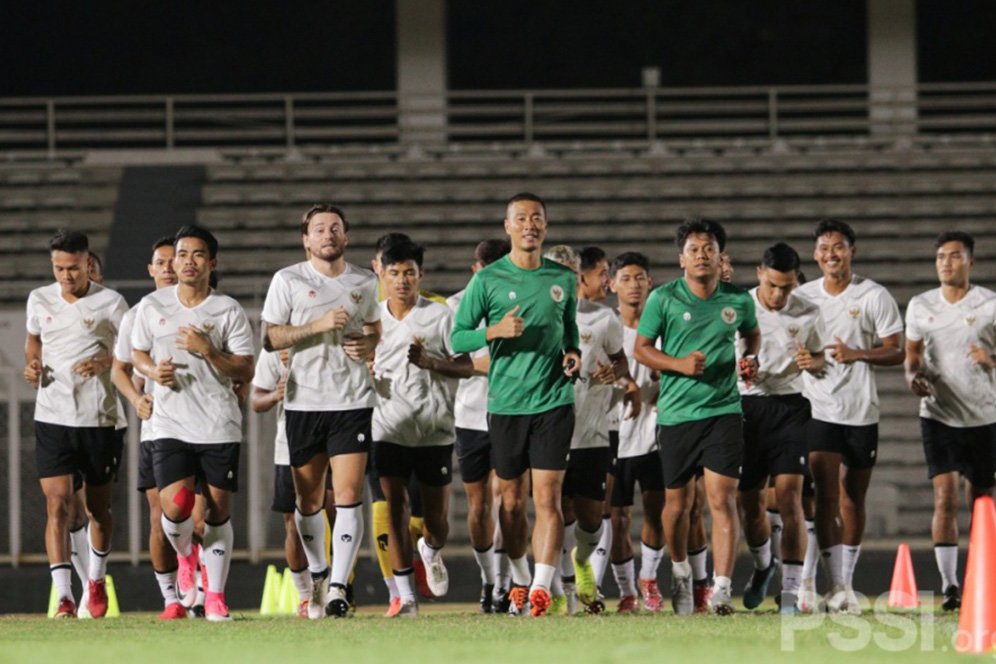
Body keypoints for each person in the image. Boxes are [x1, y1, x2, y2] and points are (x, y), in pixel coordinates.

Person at [451, 192, 581, 617]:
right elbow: (457, 339)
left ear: (546, 225)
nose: (530, 225)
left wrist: (572, 354)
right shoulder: (487, 281)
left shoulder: (561, 279)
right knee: (510, 500)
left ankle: (543, 586)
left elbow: (570, 334)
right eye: (521, 218)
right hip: (506, 404)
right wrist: (495, 331)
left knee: (549, 497)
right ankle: (521, 577)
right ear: (507, 226)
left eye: (537, 218)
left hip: (553, 401)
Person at [633, 217, 760, 615]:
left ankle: (720, 588)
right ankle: (682, 570)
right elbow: (641, 349)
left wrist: (750, 357)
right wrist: (679, 365)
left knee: (722, 501)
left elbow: (751, 334)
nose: (702, 255)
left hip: (723, 411)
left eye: (709, 249)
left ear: (721, 257)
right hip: (676, 414)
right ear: (681, 259)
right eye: (694, 249)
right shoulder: (664, 299)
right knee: (678, 506)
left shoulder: (738, 300)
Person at [261, 204, 380, 619]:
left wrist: (368, 345)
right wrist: (318, 325)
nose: (327, 234)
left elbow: (374, 330)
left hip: (351, 401)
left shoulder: (366, 281)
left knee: (347, 498)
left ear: (346, 237)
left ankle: (338, 588)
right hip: (304, 402)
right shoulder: (288, 280)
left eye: (335, 228)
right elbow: (271, 337)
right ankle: (318, 572)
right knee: (306, 503)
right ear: (306, 239)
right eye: (318, 229)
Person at [131, 225, 255, 622]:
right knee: (175, 503)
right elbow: (136, 353)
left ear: (211, 263)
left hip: (218, 424)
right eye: (182, 254)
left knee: (217, 513)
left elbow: (245, 367)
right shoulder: (152, 307)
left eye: (197, 255)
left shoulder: (228, 310)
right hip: (169, 424)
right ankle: (186, 557)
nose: (187, 261)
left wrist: (209, 351)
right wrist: (153, 371)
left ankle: (216, 596)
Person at [796, 219, 904, 614]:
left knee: (853, 497)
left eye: (838, 247)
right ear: (815, 254)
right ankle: (825, 584)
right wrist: (805, 359)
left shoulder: (873, 295)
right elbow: (792, 344)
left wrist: (857, 353)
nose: (830, 254)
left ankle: (846, 581)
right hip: (818, 408)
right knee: (824, 495)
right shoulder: (803, 296)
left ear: (852, 252)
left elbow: (897, 351)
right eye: (824, 248)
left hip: (860, 411)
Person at [25, 230, 129, 619]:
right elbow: (33, 341)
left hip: (98, 419)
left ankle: (97, 581)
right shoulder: (40, 298)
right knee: (57, 504)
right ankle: (65, 596)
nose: (65, 276)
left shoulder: (112, 303)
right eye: (58, 268)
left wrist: (103, 364)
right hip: (52, 415)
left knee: (98, 509)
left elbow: (130, 355)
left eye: (72, 267)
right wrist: (32, 364)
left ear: (88, 263)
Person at [371, 241, 473, 617]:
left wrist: (431, 361)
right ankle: (406, 596)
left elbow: (465, 365)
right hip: (386, 427)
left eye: (409, 272)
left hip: (433, 429)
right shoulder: (370, 317)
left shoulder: (440, 315)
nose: (402, 280)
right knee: (395, 507)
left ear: (421, 275)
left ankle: (430, 551)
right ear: (381, 273)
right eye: (394, 272)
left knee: (436, 523)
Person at [904, 231, 996, 611]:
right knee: (944, 497)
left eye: (955, 256)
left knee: (981, 502)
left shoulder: (990, 304)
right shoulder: (920, 305)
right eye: (941, 256)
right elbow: (910, 356)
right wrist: (913, 378)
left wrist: (991, 361)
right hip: (939, 414)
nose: (946, 262)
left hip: (984, 415)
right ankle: (950, 586)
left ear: (970, 262)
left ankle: (981, 576)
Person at [545, 245, 637, 615]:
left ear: (575, 277)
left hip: (591, 432)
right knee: (552, 511)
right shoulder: (530, 318)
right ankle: (557, 589)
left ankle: (582, 565)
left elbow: (621, 363)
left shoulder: (602, 319)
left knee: (590, 518)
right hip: (547, 431)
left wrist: (614, 375)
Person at [735, 243, 826, 614]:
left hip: (790, 408)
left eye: (787, 287)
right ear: (760, 274)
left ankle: (790, 593)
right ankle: (762, 566)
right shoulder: (738, 306)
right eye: (773, 285)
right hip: (746, 407)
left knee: (790, 498)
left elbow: (820, 356)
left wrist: (812, 359)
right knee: (750, 504)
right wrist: (739, 367)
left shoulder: (808, 311)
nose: (779, 295)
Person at [109, 237, 184, 619]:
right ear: (150, 269)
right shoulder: (137, 315)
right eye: (162, 262)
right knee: (161, 514)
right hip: (157, 430)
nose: (169, 267)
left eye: (176, 260)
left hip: (203, 429)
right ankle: (171, 597)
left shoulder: (207, 309)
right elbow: (120, 370)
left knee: (199, 515)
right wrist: (136, 400)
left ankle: (201, 586)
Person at [446, 238, 511, 613]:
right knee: (478, 504)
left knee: (506, 497)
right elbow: (459, 359)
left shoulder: (520, 300)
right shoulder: (457, 306)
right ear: (475, 270)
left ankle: (504, 582)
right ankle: (488, 579)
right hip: (470, 415)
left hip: (510, 412)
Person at [608, 251, 666, 613]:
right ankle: (626, 590)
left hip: (655, 434)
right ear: (612, 284)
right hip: (613, 434)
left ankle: (649, 579)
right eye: (625, 278)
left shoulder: (662, 329)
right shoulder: (604, 325)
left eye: (640, 278)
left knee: (657, 511)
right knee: (617, 518)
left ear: (650, 283)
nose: (634, 285)